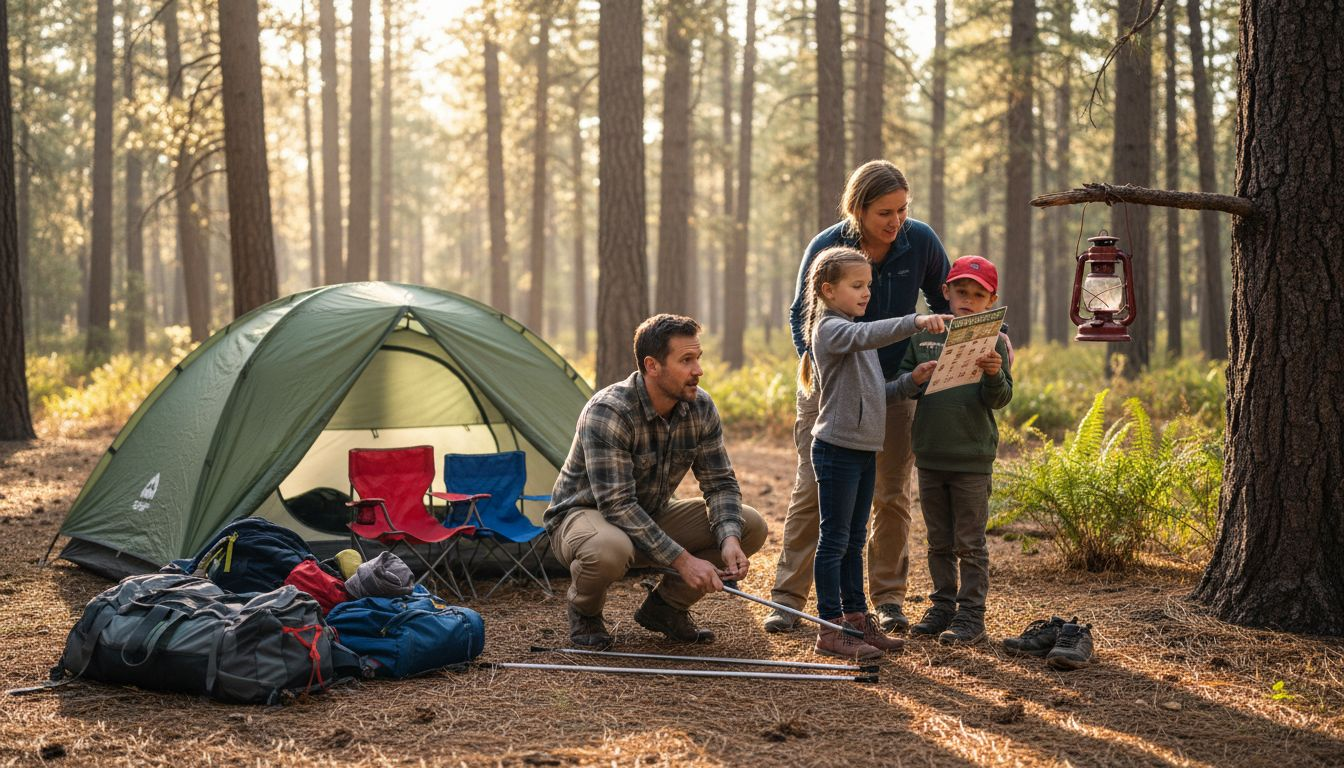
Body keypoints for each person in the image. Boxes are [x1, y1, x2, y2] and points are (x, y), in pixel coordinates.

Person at [766, 160, 952, 635]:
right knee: (814, 492)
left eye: (902, 210)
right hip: (828, 390)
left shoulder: (921, 241)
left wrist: (994, 334)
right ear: (858, 209)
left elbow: (946, 302)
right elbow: (798, 315)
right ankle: (788, 598)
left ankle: (886, 600)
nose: (896, 222)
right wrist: (825, 366)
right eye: (884, 213)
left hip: (893, 385)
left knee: (890, 497)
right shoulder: (828, 246)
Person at [544, 314, 769, 650]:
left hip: (649, 513)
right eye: (686, 360)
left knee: (749, 524)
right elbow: (617, 505)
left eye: (698, 358)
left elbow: (720, 482)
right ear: (652, 366)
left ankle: (666, 609)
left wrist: (730, 540)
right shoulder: (609, 411)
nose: (698, 371)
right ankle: (585, 613)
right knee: (608, 549)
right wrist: (683, 560)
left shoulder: (700, 406)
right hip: (584, 515)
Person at [797, 246, 949, 658]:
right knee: (834, 541)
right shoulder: (831, 330)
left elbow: (873, 395)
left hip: (863, 450)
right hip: (836, 450)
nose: (866, 293)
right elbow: (869, 334)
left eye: (868, 285)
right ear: (828, 290)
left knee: (853, 541)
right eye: (857, 286)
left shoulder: (850, 330)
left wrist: (910, 381)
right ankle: (830, 628)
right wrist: (917, 320)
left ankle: (856, 621)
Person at [891, 255, 1013, 644]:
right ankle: (942, 606)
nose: (968, 300)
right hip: (930, 454)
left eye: (978, 295)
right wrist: (915, 377)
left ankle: (971, 616)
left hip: (972, 458)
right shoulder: (923, 336)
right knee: (938, 540)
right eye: (961, 291)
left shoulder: (996, 341)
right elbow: (901, 382)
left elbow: (1001, 399)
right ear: (946, 292)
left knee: (970, 542)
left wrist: (994, 375)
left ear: (990, 301)